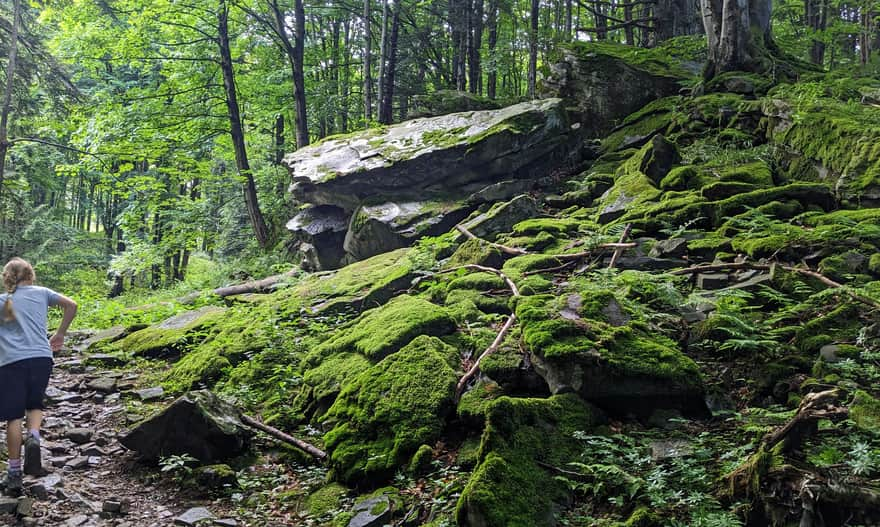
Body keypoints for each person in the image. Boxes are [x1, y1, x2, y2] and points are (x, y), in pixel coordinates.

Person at [0, 258, 77, 495]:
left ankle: (14, 473)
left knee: (13, 416)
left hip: (11, 361)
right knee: (35, 404)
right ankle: (33, 435)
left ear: (7, 277)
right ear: (30, 274)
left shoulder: (4, 302)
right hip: (42, 358)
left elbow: (8, 322)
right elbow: (72, 305)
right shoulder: (42, 293)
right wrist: (60, 333)